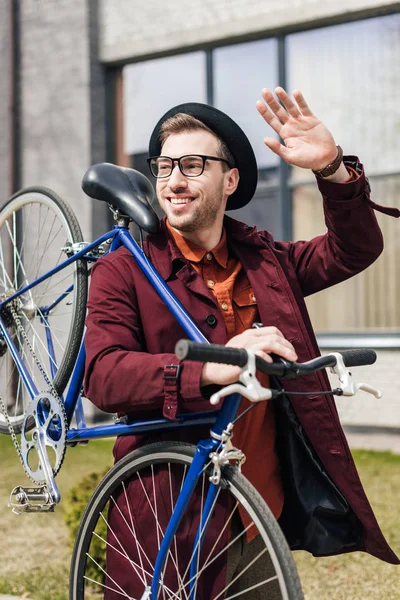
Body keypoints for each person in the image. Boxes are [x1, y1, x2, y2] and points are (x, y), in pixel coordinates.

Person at [84, 87, 399, 598]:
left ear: (229, 180)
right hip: (169, 514)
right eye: (164, 167)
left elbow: (354, 249)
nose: (173, 181)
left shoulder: (265, 258)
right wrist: (215, 368)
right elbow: (104, 373)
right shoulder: (126, 269)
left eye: (191, 164)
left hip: (257, 513)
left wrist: (332, 170)